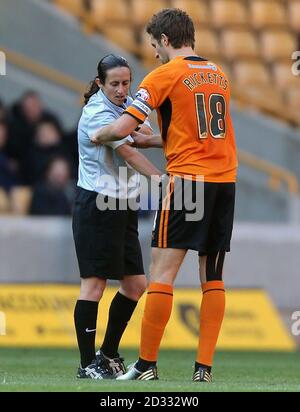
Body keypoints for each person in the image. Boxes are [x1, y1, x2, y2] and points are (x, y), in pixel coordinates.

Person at [91, 9, 237, 383]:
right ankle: (203, 369)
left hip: (187, 182)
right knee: (213, 277)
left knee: (162, 274)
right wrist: (151, 140)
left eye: (155, 45)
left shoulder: (164, 75)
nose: (154, 53)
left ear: (166, 40)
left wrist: (100, 133)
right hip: (224, 181)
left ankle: (146, 365)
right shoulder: (217, 73)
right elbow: (196, 131)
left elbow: (123, 125)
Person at [72, 54, 161, 379]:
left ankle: (107, 354)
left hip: (122, 202)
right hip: (96, 202)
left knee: (135, 284)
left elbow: (145, 132)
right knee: (94, 284)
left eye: (126, 82)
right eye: (115, 84)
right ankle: (86, 365)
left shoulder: (125, 107)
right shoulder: (97, 113)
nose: (123, 89)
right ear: (100, 84)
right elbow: (129, 151)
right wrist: (163, 182)